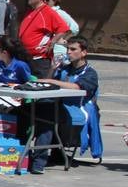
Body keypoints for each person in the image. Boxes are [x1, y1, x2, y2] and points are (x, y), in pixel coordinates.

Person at [28, 36, 101, 174]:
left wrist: (53, 82)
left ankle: (38, 162)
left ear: (84, 52)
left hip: (77, 109)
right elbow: (50, 82)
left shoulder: (90, 73)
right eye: (68, 49)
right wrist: (52, 69)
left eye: (73, 49)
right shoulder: (64, 68)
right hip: (58, 105)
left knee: (47, 117)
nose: (68, 52)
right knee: (26, 110)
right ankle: (17, 151)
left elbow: (78, 87)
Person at [18, 0, 68, 79]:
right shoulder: (30, 12)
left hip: (39, 59)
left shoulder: (47, 11)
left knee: (40, 86)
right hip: (25, 57)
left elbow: (63, 28)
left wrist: (52, 42)